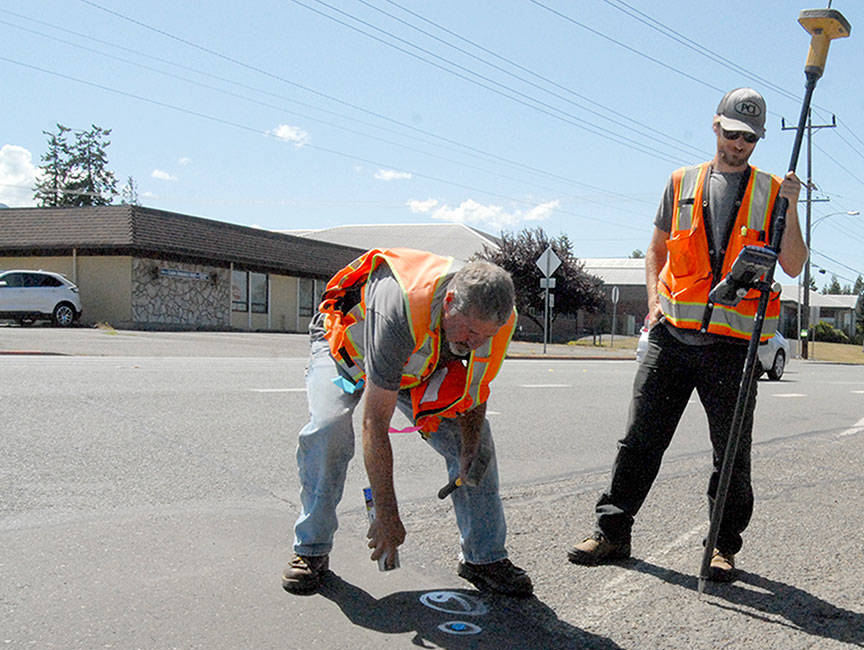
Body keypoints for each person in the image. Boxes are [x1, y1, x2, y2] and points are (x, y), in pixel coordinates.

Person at [567, 87, 806, 581]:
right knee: (639, 441)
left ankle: (722, 547)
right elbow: (655, 250)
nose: (739, 144)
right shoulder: (681, 182)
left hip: (732, 346)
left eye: (750, 138)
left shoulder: (770, 192)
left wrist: (793, 207)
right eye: (733, 133)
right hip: (670, 336)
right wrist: (654, 301)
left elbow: (794, 264)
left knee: (732, 453)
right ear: (715, 126)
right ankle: (612, 532)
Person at [283, 248, 532, 597]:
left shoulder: (493, 320)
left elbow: (474, 386)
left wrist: (470, 445)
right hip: (346, 348)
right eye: (470, 332)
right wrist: (386, 514)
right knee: (330, 430)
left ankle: (483, 558)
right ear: (448, 303)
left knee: (478, 448)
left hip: (416, 363)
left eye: (484, 336)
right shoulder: (400, 306)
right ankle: (310, 550)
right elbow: (375, 422)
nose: (475, 342)